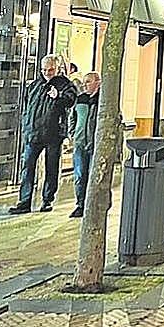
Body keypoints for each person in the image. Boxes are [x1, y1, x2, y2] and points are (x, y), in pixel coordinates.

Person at [9, 54, 77, 214]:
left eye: (51, 69)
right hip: (33, 133)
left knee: (51, 168)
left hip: (53, 134)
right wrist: (26, 126)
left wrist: (58, 96)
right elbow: (26, 107)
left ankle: (47, 200)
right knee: (27, 167)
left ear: (57, 68)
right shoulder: (34, 85)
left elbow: (70, 100)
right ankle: (24, 201)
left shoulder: (65, 85)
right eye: (44, 69)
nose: (47, 72)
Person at [69, 71, 100, 219]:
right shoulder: (80, 99)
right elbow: (72, 117)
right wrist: (72, 134)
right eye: (84, 82)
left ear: (97, 83)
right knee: (80, 175)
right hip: (80, 142)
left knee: (93, 175)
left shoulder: (103, 101)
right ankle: (80, 204)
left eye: (88, 81)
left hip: (95, 144)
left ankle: (92, 204)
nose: (85, 84)